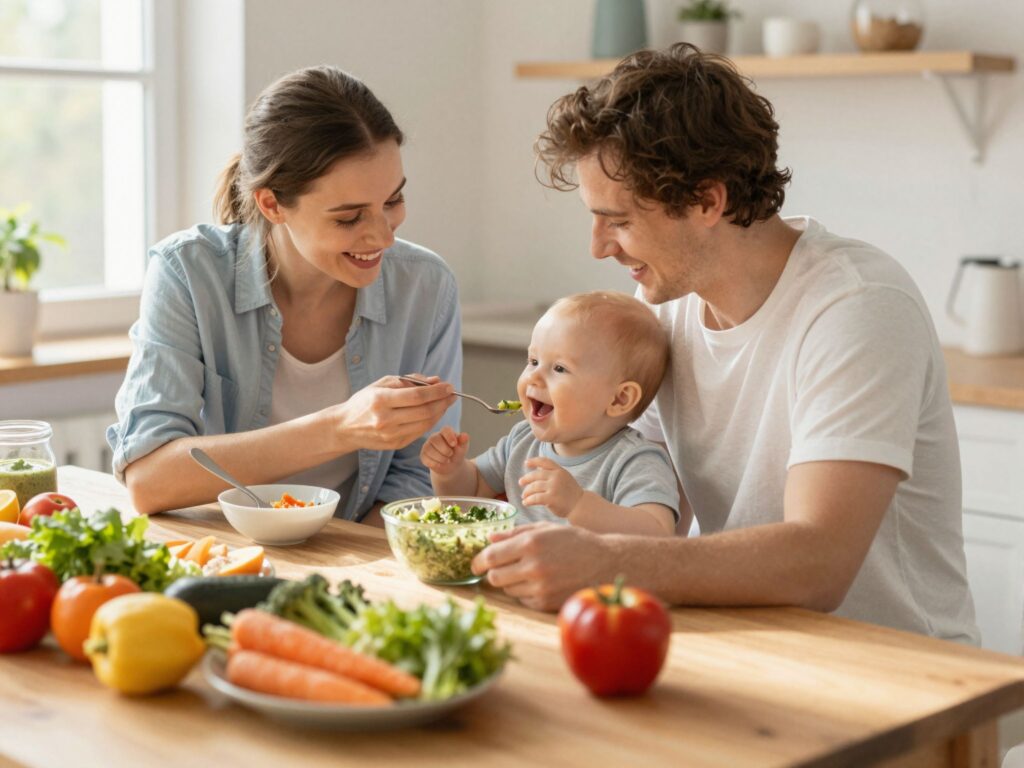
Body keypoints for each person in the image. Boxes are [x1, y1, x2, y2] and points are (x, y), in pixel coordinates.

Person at [472, 44, 979, 644]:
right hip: (752, 652)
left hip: (900, 680)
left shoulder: (856, 307)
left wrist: (604, 562)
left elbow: (819, 563)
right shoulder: (666, 305)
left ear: (709, 200)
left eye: (620, 220)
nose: (598, 247)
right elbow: (653, 509)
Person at [107, 65, 459, 520]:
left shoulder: (426, 287)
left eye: (392, 201)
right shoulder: (188, 273)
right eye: (349, 217)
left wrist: (344, 571)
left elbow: (416, 478)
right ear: (271, 203)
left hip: (357, 562)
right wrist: (340, 427)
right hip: (226, 555)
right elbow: (149, 480)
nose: (383, 237)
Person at [422, 291, 678, 536]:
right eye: (533, 361)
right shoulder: (522, 441)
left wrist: (578, 504)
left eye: (558, 368)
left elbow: (657, 533)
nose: (533, 376)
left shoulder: (635, 461)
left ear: (619, 399)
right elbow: (472, 493)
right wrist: (450, 471)